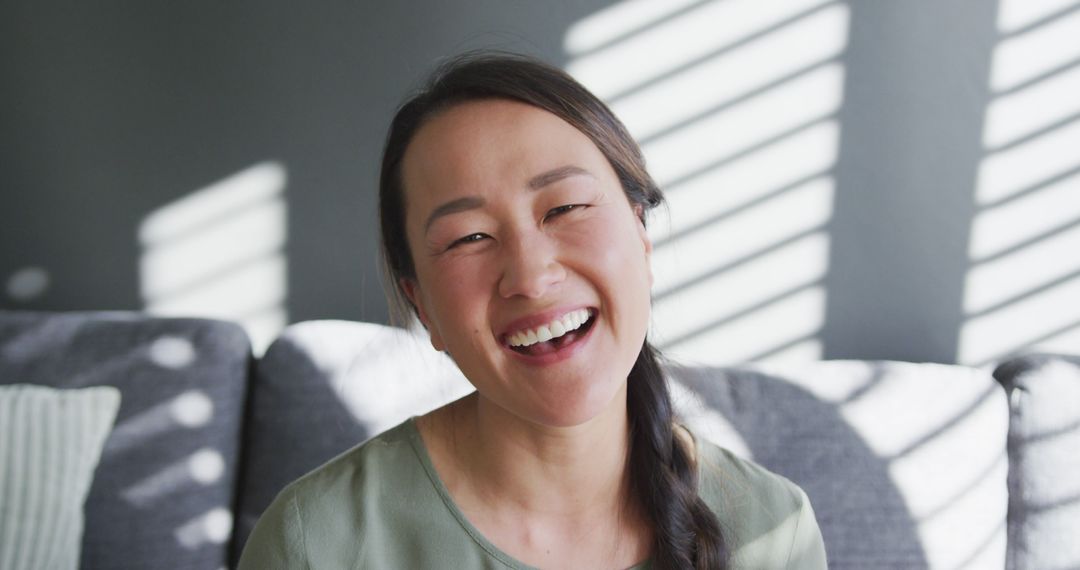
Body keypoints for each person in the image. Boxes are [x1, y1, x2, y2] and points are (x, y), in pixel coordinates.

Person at [238, 52, 827, 569]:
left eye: (565, 206)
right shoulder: (314, 546)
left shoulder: (772, 531)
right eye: (469, 238)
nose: (530, 276)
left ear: (641, 237)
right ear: (422, 305)